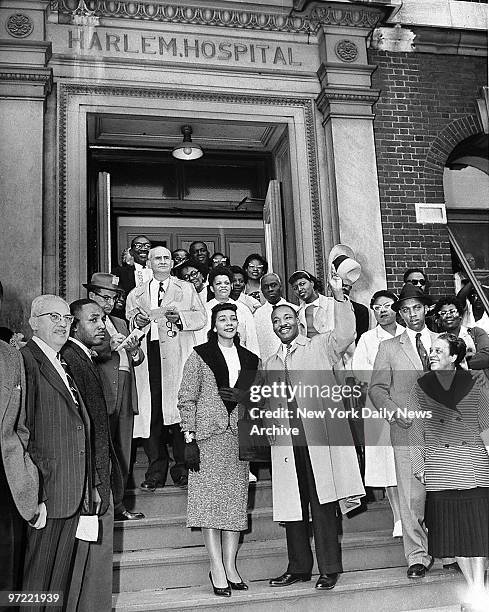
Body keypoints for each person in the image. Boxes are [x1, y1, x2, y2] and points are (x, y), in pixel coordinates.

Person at [265, 269, 365, 591]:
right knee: (293, 505)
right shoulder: (269, 361)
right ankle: (298, 567)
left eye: (287, 318)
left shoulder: (320, 347)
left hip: (318, 438)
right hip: (286, 442)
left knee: (323, 503)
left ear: (297, 321)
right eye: (276, 321)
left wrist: (339, 297)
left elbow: (347, 333)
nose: (282, 324)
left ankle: (329, 568)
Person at [178, 302, 259, 597]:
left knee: (235, 505)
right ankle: (216, 568)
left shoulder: (251, 359)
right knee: (209, 505)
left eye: (233, 318)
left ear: (239, 324)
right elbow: (187, 397)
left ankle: (231, 566)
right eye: (222, 318)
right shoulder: (200, 355)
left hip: (239, 438)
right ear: (213, 325)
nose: (228, 322)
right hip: (208, 438)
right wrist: (189, 438)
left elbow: (260, 398)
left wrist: (246, 397)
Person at [408, 333, 489, 604]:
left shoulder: (475, 382)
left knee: (476, 536)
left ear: (454, 356)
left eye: (439, 350)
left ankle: (477, 593)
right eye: (431, 350)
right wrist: (419, 463)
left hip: (473, 467)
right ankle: (476, 591)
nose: (432, 354)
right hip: (441, 470)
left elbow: (486, 424)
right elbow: (416, 429)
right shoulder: (419, 386)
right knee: (457, 538)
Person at [21, 295, 91, 605]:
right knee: (35, 587)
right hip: (46, 496)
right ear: (34, 323)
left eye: (67, 318)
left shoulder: (62, 362)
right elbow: (22, 433)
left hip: (70, 492)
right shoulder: (25, 361)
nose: (63, 324)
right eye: (54, 317)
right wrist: (38, 495)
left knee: (55, 588)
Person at [369, 283, 438, 578]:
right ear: (400, 314)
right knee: (412, 497)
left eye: (417, 308)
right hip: (407, 429)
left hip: (444, 432)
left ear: (426, 309)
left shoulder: (444, 340)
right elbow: (376, 389)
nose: (412, 315)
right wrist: (395, 412)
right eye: (406, 310)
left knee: (446, 493)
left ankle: (451, 550)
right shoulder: (388, 347)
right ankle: (416, 557)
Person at [126, 246, 207, 490]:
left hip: (176, 355)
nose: (162, 261)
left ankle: (182, 469)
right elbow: (131, 321)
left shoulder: (186, 288)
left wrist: (179, 318)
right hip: (148, 357)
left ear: (172, 263)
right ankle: (155, 471)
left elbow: (201, 318)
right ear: (148, 263)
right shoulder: (136, 293)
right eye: (157, 258)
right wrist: (136, 320)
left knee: (180, 411)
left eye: (166, 258)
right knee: (152, 415)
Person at [61, 299, 124, 612]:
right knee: (94, 564)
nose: (102, 326)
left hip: (95, 478)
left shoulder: (81, 358)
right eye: (93, 320)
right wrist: (97, 483)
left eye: (102, 319)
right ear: (74, 325)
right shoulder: (73, 359)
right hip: (92, 483)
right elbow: (83, 431)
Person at [85, 273, 145, 521]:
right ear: (92, 296)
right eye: (105, 297)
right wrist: (108, 347)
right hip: (102, 392)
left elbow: (138, 358)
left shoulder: (120, 323)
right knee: (102, 451)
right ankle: (103, 504)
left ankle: (119, 504)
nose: (109, 303)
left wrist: (134, 350)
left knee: (123, 451)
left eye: (113, 298)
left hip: (125, 390)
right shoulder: (85, 320)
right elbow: (80, 353)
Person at [352, 290, 404, 537]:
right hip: (379, 407)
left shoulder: (408, 335)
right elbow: (361, 374)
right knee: (388, 465)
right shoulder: (367, 339)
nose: (382, 310)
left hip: (408, 406)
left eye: (387, 305)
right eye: (377, 307)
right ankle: (398, 518)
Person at [0, 339, 40, 601]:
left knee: (9, 561)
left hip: (8, 474)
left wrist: (24, 468)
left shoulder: (10, 355)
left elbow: (21, 425)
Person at [204, 267, 260, 357]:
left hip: (240, 357)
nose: (223, 286)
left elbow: (252, 339)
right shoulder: (204, 310)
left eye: (226, 283)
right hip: (213, 357)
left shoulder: (243, 309)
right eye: (218, 283)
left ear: (231, 286)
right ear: (211, 288)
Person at [434, 296, 489, 375]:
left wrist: (450, 362)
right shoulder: (437, 340)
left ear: (460, 315)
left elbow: (486, 357)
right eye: (443, 313)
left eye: (452, 311)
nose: (448, 315)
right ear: (439, 319)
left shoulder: (476, 333)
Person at [254, 273, 295, 362]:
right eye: (266, 287)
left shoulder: (295, 310)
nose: (270, 289)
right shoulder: (257, 315)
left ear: (280, 287)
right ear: (262, 290)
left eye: (273, 285)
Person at [111, 235, 153, 318]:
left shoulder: (158, 272)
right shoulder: (119, 272)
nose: (143, 249)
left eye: (147, 246)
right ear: (131, 252)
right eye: (138, 246)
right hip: (128, 318)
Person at [289, 269, 334, 337]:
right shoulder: (298, 313)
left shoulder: (331, 304)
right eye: (295, 288)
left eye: (302, 284)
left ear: (312, 283)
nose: (299, 289)